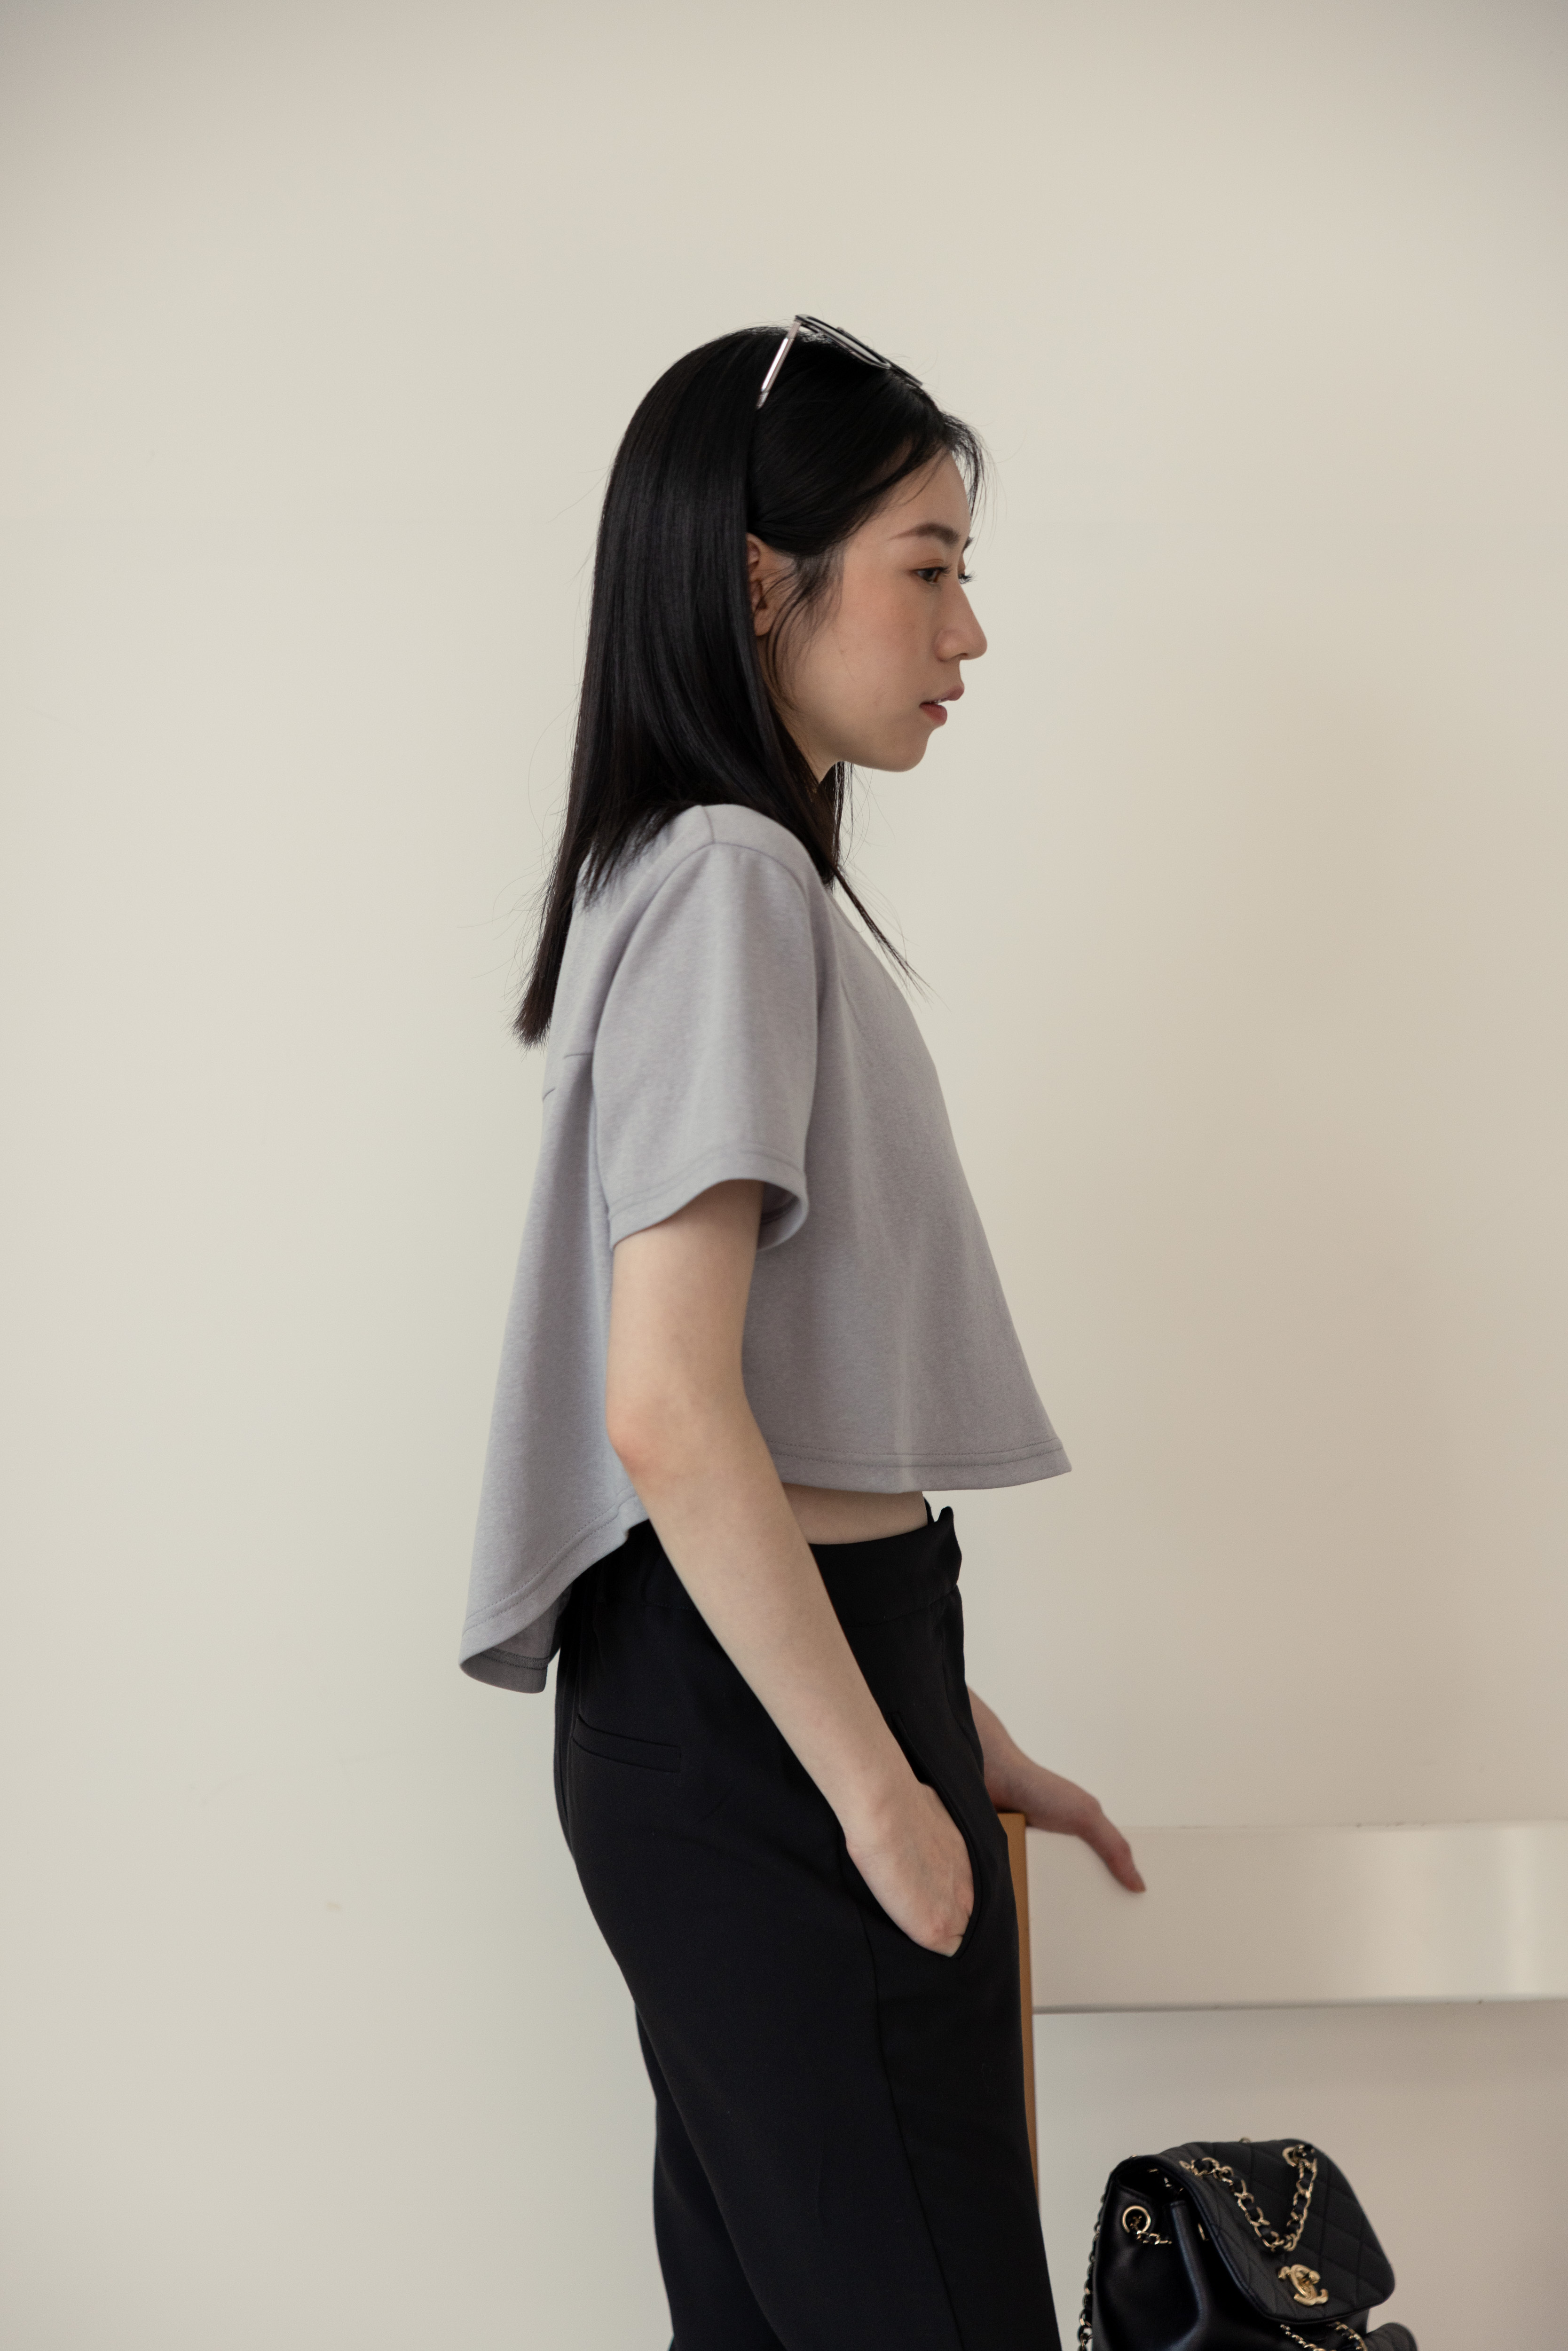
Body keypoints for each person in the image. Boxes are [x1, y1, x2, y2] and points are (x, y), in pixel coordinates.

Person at [461, 317, 1143, 2351]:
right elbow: (671, 1407)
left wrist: (943, 1720)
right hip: (766, 1736)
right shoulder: (734, 879)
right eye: (928, 568)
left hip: (766, 1692)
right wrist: (873, 1784)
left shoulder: (702, 873)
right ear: (766, 582)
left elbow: (763, 1401)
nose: (969, 630)